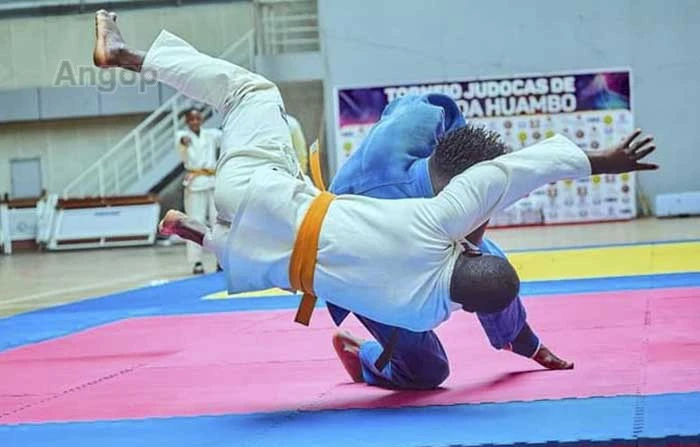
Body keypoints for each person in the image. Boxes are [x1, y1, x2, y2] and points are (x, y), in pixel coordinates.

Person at [93, 11, 657, 338]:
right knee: (305, 263)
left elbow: (514, 171)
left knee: (252, 91)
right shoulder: (423, 313)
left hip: (266, 193)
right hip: (264, 252)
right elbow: (464, 281)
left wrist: (603, 161)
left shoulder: (439, 220)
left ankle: (122, 54)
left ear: (475, 256)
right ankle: (201, 233)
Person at [328, 94, 572, 389]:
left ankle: (519, 340)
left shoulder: (421, 120)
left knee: (487, 267)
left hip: (413, 209)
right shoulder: (371, 213)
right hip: (362, 267)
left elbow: (426, 105)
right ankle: (365, 355)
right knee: (427, 371)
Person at [176, 108, 221, 274]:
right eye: (191, 119)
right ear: (187, 122)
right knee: (196, 222)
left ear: (201, 120)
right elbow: (182, 141)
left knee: (219, 221)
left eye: (197, 119)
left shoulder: (211, 134)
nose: (194, 122)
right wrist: (183, 141)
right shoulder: (181, 135)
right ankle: (196, 261)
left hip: (213, 181)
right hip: (195, 183)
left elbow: (227, 134)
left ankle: (221, 259)